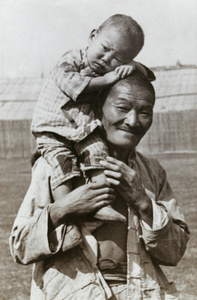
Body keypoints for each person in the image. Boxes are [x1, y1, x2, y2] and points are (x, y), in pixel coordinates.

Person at [10, 72, 189, 300]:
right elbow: (20, 248)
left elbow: (174, 253)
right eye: (122, 108)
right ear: (98, 108)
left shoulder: (151, 171)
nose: (133, 121)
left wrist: (143, 202)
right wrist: (64, 208)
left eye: (145, 112)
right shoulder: (55, 167)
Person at [31, 14, 155, 223]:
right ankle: (68, 210)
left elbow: (148, 76)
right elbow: (72, 84)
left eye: (117, 59)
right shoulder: (72, 60)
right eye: (105, 49)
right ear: (92, 36)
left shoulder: (110, 73)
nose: (106, 59)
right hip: (53, 129)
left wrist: (134, 67)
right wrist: (108, 78)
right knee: (63, 165)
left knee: (98, 153)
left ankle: (101, 203)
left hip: (81, 130)